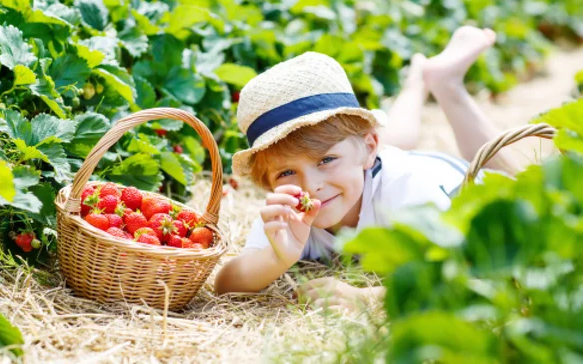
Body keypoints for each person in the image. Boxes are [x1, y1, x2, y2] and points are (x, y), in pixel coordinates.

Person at [214, 26, 521, 309]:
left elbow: (473, 278)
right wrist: (276, 257)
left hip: (472, 187)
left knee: (515, 179)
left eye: (325, 160)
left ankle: (447, 85)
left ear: (371, 147)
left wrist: (367, 298)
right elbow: (226, 284)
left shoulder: (410, 194)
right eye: (286, 172)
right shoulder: (291, 211)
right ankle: (416, 83)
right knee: (375, 147)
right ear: (268, 181)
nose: (311, 186)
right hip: (378, 160)